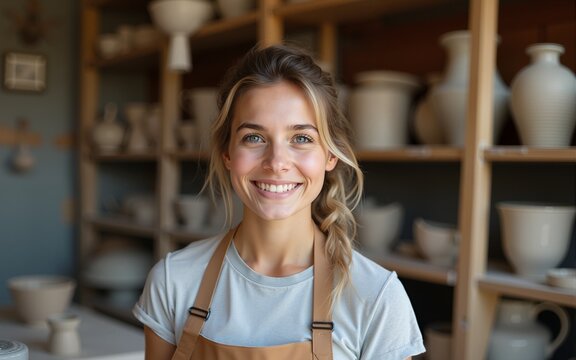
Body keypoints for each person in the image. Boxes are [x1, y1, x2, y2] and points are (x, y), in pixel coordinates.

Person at [133, 44, 425, 360]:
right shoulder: (174, 280)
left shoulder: (376, 296)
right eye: (254, 137)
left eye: (301, 138)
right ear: (227, 153)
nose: (276, 162)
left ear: (329, 155)